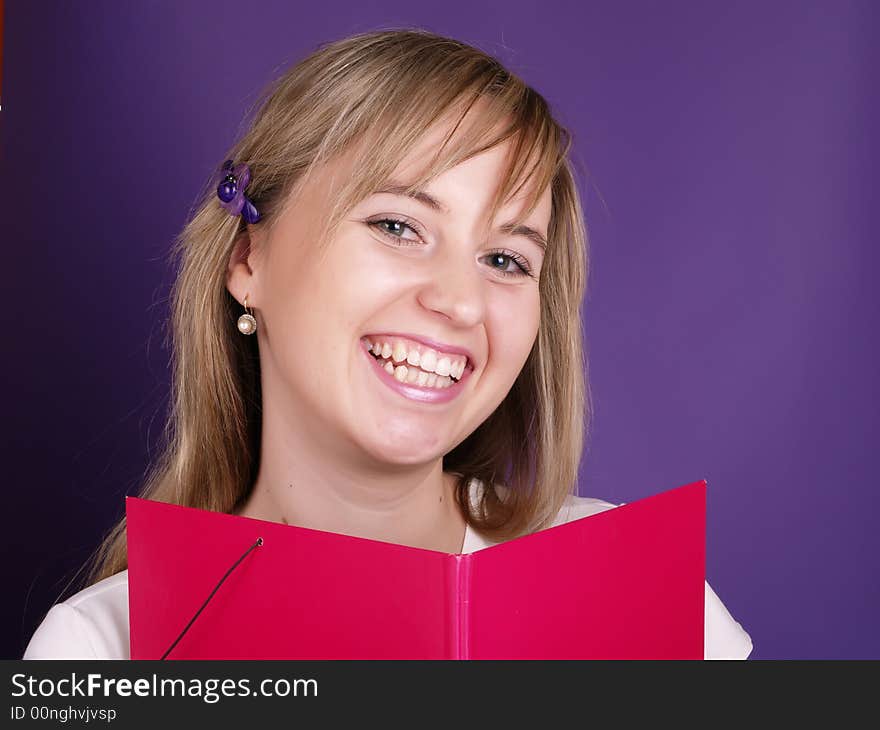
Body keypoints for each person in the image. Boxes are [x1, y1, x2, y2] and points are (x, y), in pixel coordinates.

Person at [23, 28, 752, 660]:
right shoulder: (100, 649)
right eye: (398, 226)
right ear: (247, 261)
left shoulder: (631, 585)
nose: (460, 302)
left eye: (506, 259)